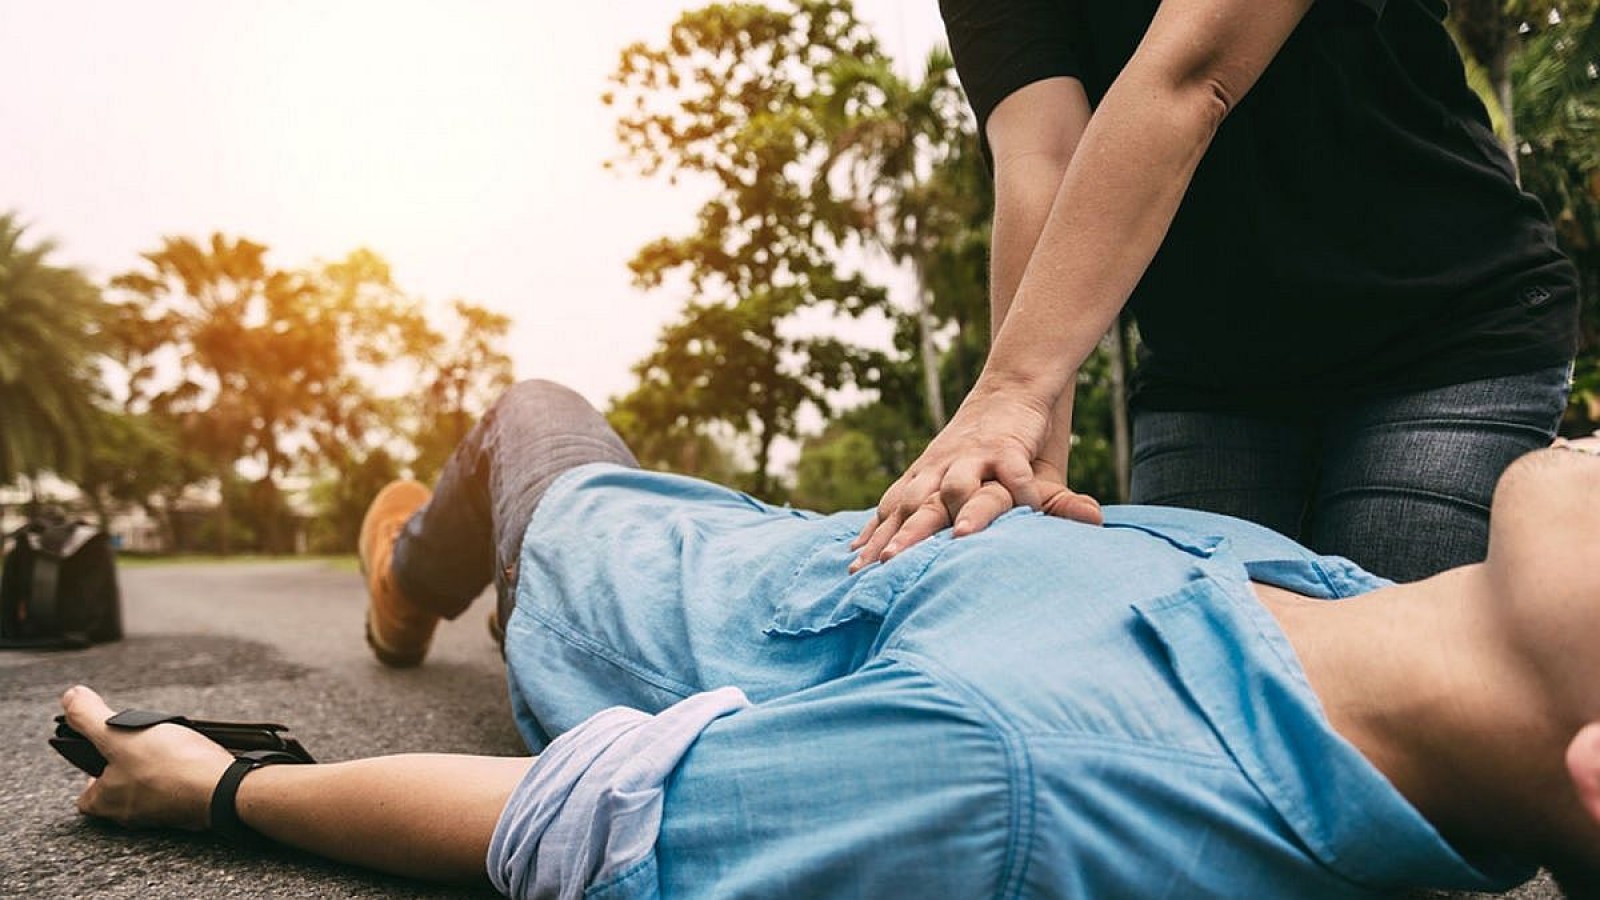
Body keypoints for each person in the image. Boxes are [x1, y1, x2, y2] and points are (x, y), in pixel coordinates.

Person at [60, 381, 1600, 897]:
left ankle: (408, 580)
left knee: (531, 413)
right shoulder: (1346, 604)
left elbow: (576, 818)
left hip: (618, 570)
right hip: (787, 543)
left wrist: (215, 792)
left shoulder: (1020, 781)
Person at [849, 0, 1580, 585]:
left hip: (1444, 340)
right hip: (1212, 377)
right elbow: (1043, 156)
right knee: (1204, 686)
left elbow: (1193, 76)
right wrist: (1028, 447)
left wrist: (1012, 389)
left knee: (1370, 687)